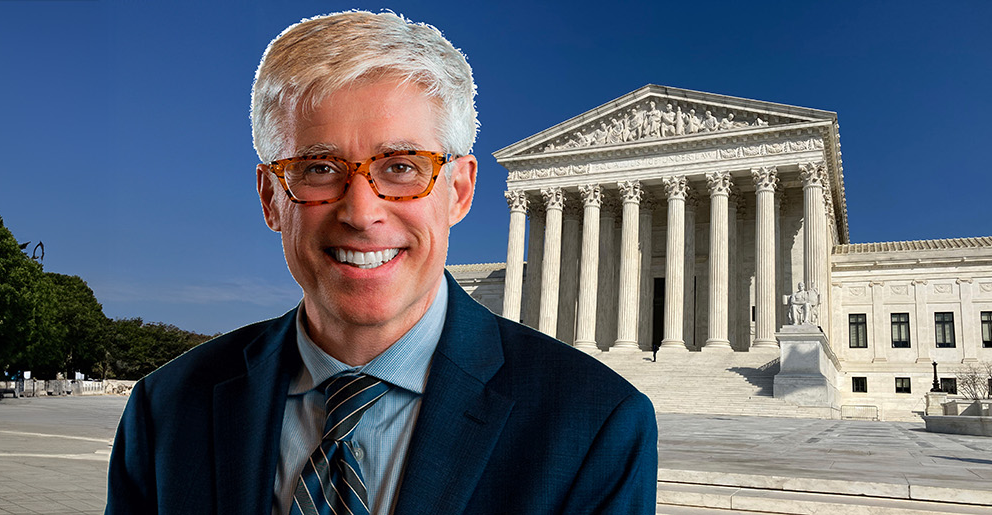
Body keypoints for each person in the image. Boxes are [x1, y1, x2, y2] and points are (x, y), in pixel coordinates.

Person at [106, 10, 657, 515]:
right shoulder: (166, 411)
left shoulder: (594, 424)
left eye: (401, 167)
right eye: (319, 168)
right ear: (272, 198)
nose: (361, 212)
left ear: (460, 191)